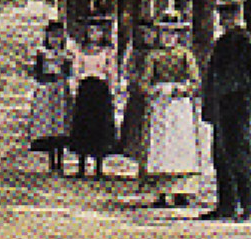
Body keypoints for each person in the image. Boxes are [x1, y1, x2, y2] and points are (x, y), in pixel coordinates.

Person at [200, 0, 251, 221]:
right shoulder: (221, 43)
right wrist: (209, 104)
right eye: (223, 16)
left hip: (242, 104)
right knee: (221, 154)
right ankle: (227, 205)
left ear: (239, 17)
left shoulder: (246, 42)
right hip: (222, 104)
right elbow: (212, 76)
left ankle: (250, 206)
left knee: (242, 154)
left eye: (230, 15)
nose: (226, 20)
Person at [137, 12, 202, 208]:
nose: (168, 38)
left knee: (181, 146)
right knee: (161, 147)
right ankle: (162, 191)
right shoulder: (153, 56)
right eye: (165, 33)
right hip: (161, 107)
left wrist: (180, 89)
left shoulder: (185, 56)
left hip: (180, 106)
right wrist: (154, 90)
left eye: (173, 34)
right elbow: (143, 83)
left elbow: (195, 82)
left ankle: (182, 191)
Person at [66, 15, 119, 177]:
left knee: (100, 126)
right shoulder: (80, 51)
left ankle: (99, 166)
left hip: (100, 90)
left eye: (98, 32)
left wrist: (113, 89)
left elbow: (111, 72)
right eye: (91, 32)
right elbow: (76, 70)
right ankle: (81, 165)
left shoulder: (107, 51)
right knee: (84, 125)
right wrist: (74, 89)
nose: (94, 35)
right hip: (86, 89)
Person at [26, 21, 74, 172]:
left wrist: (64, 76)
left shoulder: (66, 54)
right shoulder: (42, 53)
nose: (55, 40)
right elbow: (37, 73)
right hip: (47, 91)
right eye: (52, 36)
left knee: (61, 126)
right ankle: (51, 160)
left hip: (61, 92)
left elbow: (70, 72)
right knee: (49, 125)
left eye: (58, 37)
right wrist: (46, 77)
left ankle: (60, 159)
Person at [118, 19, 157, 161]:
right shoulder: (134, 51)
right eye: (143, 33)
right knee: (136, 123)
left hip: (154, 92)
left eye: (150, 33)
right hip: (138, 92)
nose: (147, 36)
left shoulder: (157, 51)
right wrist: (133, 81)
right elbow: (127, 69)